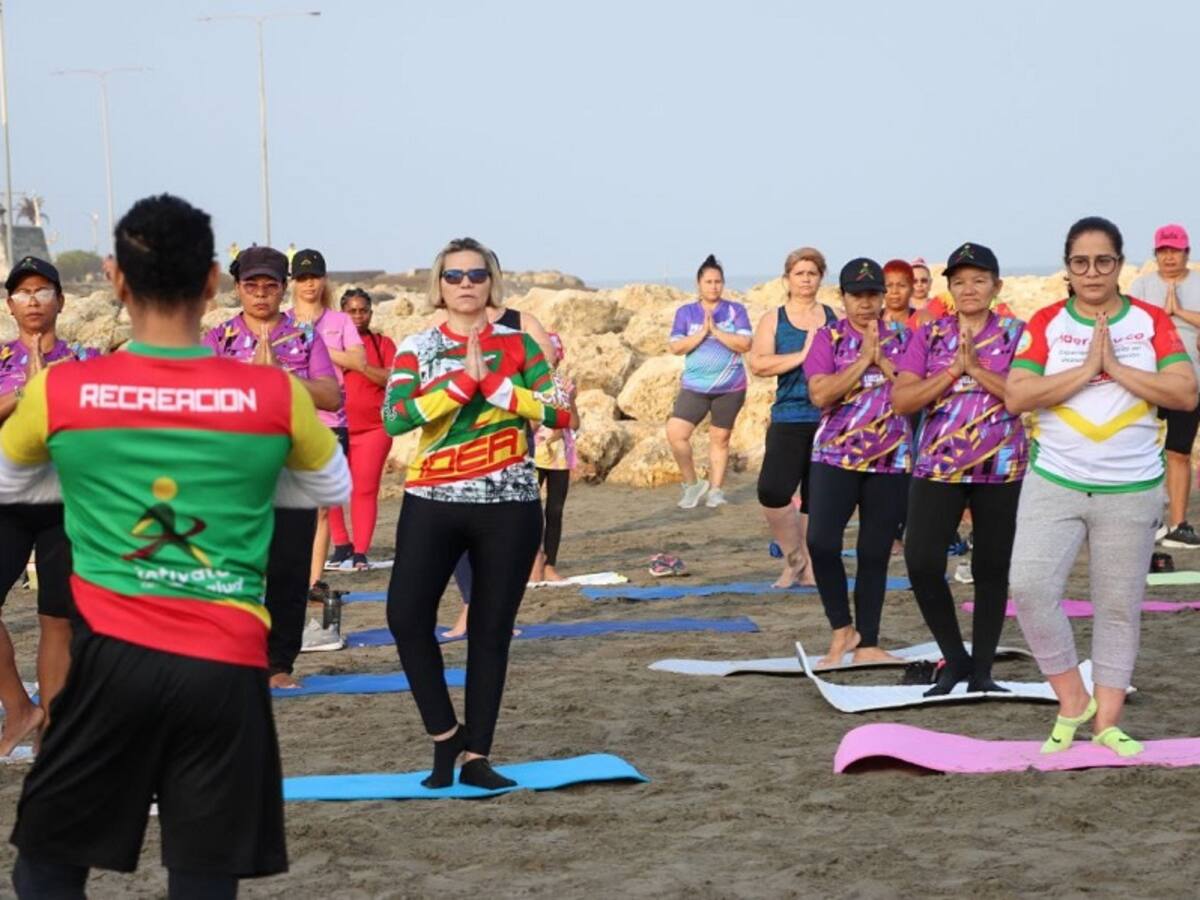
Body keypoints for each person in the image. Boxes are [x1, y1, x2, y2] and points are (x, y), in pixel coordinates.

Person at [0, 193, 349, 897]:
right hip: (227, 663)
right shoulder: (272, 393)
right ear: (214, 284)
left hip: (110, 658)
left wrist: (98, 475)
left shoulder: (64, 389)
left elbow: (11, 481)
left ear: (116, 281)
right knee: (204, 873)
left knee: (48, 861)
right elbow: (329, 488)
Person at [384, 237, 575, 790]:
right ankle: (446, 737)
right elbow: (395, 418)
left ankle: (478, 757)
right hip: (431, 501)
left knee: (491, 633)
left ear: (491, 281)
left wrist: (498, 388)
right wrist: (461, 384)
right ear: (438, 286)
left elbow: (561, 413)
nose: (465, 284)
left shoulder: (520, 345)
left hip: (509, 504)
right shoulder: (416, 346)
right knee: (404, 618)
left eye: (475, 275)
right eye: (453, 276)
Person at [1006, 216, 1196, 756]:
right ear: (1067, 268)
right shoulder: (1046, 323)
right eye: (1081, 262)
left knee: (1118, 606)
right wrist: (1088, 368)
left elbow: (1184, 390)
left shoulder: (1150, 322)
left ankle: (1107, 722)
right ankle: (1073, 700)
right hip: (1055, 482)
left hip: (1132, 488)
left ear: (1119, 265)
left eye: (1104, 261)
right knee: (1031, 588)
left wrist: (1115, 365)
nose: (1092, 272)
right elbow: (1018, 395)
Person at [893, 242, 1027, 695]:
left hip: (1002, 467)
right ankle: (956, 659)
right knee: (922, 562)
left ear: (996, 286)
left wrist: (977, 369)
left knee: (993, 567)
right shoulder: (927, 335)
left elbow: (1023, 396)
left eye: (979, 279)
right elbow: (902, 400)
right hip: (937, 467)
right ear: (949, 288)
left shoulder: (1016, 334)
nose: (969, 288)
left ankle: (984, 670)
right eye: (960, 281)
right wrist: (953, 372)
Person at [203, 246, 342, 685]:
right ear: (238, 288)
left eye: (270, 285)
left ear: (283, 288)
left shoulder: (304, 338)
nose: (260, 294)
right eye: (251, 285)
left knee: (288, 566)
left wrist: (283, 377)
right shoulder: (218, 340)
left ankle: (279, 663)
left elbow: (331, 395)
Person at [0, 257, 99, 754]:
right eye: (23, 293)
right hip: (8, 502)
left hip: (66, 502)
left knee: (55, 618)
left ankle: (53, 727)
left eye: (43, 291)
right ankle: (20, 708)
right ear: (10, 304)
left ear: (60, 300)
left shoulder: (85, 358)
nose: (33, 301)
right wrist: (24, 392)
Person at [803, 258, 912, 667]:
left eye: (873, 295)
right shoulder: (826, 338)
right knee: (822, 542)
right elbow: (820, 394)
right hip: (835, 455)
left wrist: (881, 359)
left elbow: (913, 390)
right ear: (843, 297)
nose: (865, 304)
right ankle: (841, 630)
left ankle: (868, 642)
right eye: (856, 295)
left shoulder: (906, 337)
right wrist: (862, 361)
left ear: (884, 297)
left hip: (891, 459)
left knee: (874, 551)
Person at [749, 247, 837, 588]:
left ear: (820, 278)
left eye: (812, 273)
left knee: (817, 497)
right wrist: (803, 354)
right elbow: (758, 364)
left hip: (829, 417)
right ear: (787, 279)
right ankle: (793, 557)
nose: (805, 279)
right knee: (772, 490)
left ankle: (810, 566)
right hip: (788, 415)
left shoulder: (833, 316)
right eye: (799, 273)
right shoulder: (775, 318)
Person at [287, 249, 366, 584]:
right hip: (290, 422)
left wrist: (314, 342)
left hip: (332, 423)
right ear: (293, 282)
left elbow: (358, 361)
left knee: (320, 508)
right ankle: (288, 576)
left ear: (324, 279)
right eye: (302, 278)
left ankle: (311, 583)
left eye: (315, 277)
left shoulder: (340, 322)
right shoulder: (282, 320)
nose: (309, 284)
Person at [1130, 224, 1200, 548]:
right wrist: (1164, 317)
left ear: (1187, 253)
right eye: (1163, 251)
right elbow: (1130, 325)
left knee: (1179, 452)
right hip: (1149, 381)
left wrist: (1179, 312)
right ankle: (1147, 520)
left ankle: (1178, 524)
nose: (1169, 257)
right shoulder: (1142, 285)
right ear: (1156, 254)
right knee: (1139, 450)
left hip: (1190, 384)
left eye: (1175, 251)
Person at [667, 254, 752, 509]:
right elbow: (675, 346)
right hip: (695, 387)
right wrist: (702, 333)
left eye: (718, 281)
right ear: (698, 284)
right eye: (708, 281)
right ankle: (693, 485)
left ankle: (715, 490)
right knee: (676, 433)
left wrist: (716, 331)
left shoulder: (735, 310)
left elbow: (745, 343)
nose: (713, 286)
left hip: (731, 386)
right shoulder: (686, 312)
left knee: (720, 438)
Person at [328, 288, 396, 569]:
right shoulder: (328, 342)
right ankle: (341, 545)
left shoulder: (383, 344)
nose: (358, 316)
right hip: (333, 426)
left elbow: (391, 378)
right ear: (341, 313)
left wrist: (360, 364)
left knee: (364, 490)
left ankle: (360, 551)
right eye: (351, 310)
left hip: (374, 430)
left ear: (370, 312)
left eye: (363, 310)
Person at [530, 332, 577, 583]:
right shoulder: (530, 385)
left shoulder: (564, 385)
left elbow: (574, 423)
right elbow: (532, 422)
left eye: (553, 359)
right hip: (536, 453)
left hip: (560, 458)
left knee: (555, 511)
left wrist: (570, 402)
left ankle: (550, 565)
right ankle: (532, 562)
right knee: (529, 510)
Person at [882, 259, 916, 326]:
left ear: (912, 290)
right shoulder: (871, 320)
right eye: (889, 285)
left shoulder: (921, 320)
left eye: (901, 286)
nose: (894, 291)